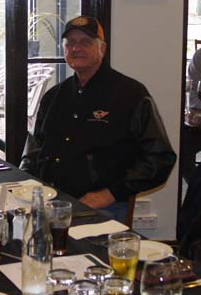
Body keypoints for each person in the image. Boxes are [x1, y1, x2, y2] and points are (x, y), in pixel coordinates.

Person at [21, 16, 177, 221]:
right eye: (70, 43)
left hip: (104, 206)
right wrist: (24, 182)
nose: (76, 48)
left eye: (85, 42)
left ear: (102, 48)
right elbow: (35, 148)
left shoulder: (131, 95)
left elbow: (160, 158)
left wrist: (109, 194)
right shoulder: (54, 96)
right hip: (50, 201)